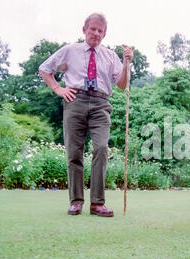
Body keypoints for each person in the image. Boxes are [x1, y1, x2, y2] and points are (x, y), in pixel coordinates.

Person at [39, 13, 133, 217]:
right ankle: (76, 201)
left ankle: (97, 203)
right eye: (93, 29)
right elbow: (45, 69)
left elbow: (122, 84)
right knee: (74, 152)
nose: (96, 33)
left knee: (101, 148)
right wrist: (58, 89)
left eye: (100, 31)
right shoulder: (70, 50)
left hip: (101, 103)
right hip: (75, 101)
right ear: (84, 29)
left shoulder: (110, 56)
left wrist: (126, 64)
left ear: (104, 34)